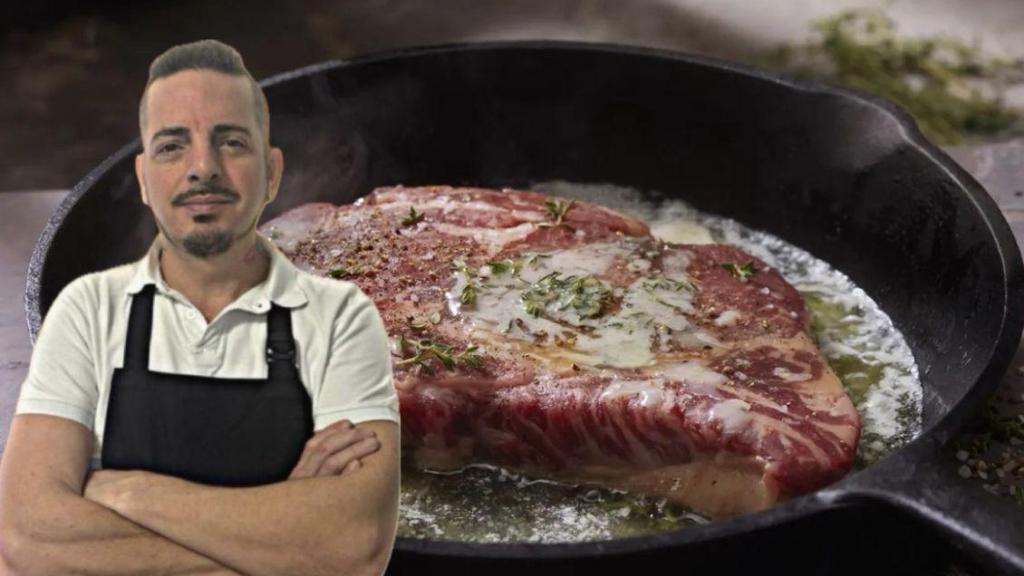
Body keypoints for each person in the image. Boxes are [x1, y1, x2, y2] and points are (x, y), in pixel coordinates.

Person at [0, 39, 400, 576]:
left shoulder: (343, 316)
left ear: (272, 172)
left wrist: (128, 492)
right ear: (144, 178)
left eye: (231, 142)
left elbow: (354, 546)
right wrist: (283, 538)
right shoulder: (88, 309)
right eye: (172, 146)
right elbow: (23, 537)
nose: (202, 168)